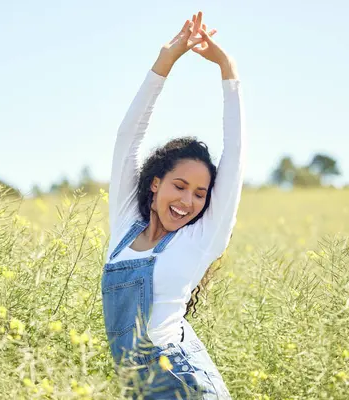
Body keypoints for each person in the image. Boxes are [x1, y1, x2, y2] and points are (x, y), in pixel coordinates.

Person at [102, 11, 245, 399]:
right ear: (155, 183)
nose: (188, 201)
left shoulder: (201, 239)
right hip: (138, 389)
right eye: (180, 186)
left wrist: (227, 70)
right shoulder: (123, 228)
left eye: (200, 194)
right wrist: (166, 60)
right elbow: (127, 138)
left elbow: (234, 154)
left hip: (185, 385)